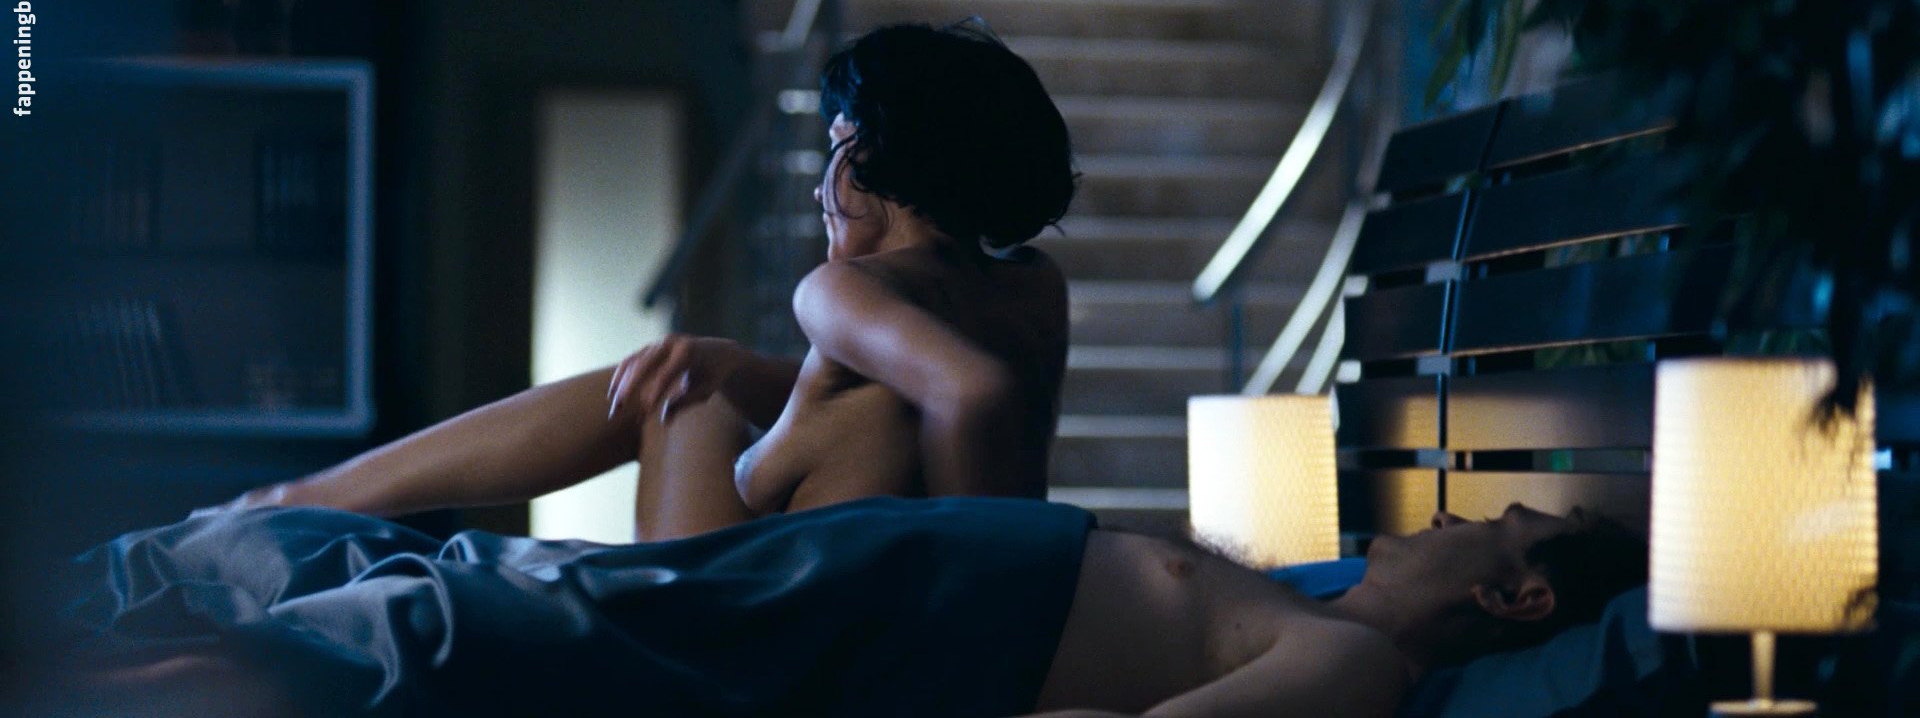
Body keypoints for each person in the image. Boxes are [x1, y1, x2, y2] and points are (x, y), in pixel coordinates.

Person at [201, 21, 1077, 540]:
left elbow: (972, 391)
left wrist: (975, 585)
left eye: (834, 146)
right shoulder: (1031, 288)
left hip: (759, 628)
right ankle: (304, 501)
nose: (819, 188)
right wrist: (739, 366)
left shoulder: (841, 292)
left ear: (876, 154)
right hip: (833, 594)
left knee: (671, 399)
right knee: (694, 376)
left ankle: (301, 501)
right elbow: (894, 400)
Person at [61, 499, 1648, 717]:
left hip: (864, 634)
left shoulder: (1354, 666)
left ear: (1514, 592)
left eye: (1487, 525)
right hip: (833, 583)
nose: (1443, 513)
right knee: (401, 569)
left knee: (440, 633)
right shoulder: (1308, 591)